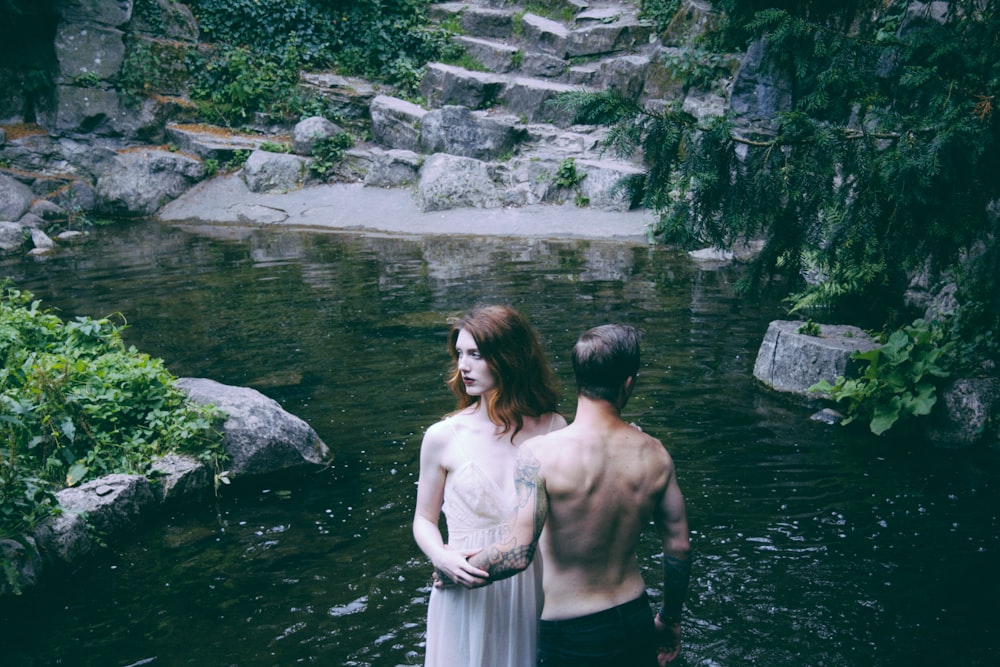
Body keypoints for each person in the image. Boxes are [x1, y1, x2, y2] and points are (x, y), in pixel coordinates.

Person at [462, 323, 692, 666]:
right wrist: (670, 620)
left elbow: (518, 552)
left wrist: (455, 569)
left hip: (571, 630)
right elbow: (679, 547)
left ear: (578, 378)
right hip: (634, 617)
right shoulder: (655, 454)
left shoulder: (539, 455)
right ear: (628, 383)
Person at [413, 304, 568, 667]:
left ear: (509, 358)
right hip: (463, 585)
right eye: (460, 354)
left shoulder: (554, 428)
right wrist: (441, 557)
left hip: (532, 587)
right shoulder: (442, 436)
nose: (463, 366)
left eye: (476, 355)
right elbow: (423, 519)